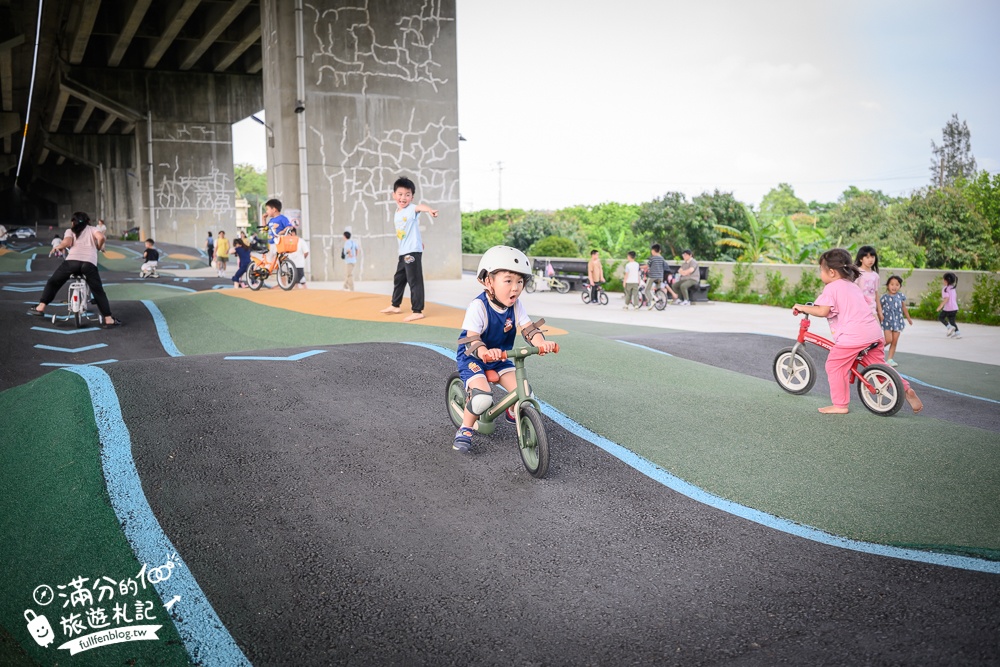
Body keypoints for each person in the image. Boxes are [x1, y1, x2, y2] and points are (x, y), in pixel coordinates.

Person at [792, 248, 921, 415]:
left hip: (854, 336)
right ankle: (906, 389)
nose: (820, 274)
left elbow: (822, 310)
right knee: (878, 365)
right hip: (873, 332)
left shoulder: (831, 288)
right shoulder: (853, 286)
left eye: (821, 270)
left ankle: (840, 405)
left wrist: (802, 307)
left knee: (834, 365)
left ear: (831, 272)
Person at [453, 246, 557, 453]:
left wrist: (540, 343)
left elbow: (529, 329)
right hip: (474, 358)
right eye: (508, 281)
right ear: (488, 281)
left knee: (525, 392)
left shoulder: (516, 306)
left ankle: (512, 410)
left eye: (520, 282)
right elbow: (472, 339)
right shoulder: (478, 306)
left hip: (501, 358)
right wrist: (484, 352)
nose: (515, 288)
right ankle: (465, 428)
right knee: (482, 398)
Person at [26, 211, 121, 327]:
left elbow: (67, 242)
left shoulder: (70, 231)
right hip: (89, 264)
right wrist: (98, 246)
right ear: (88, 221)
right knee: (98, 291)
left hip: (72, 262)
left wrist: (58, 246)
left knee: (53, 282)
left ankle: (41, 307)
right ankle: (108, 319)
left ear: (73, 222)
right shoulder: (93, 229)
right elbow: (101, 237)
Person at [379, 176, 438, 323]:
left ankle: (417, 311)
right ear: (394, 195)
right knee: (399, 278)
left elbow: (420, 207)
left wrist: (429, 210)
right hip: (403, 251)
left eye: (407, 194)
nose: (403, 198)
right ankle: (395, 305)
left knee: (414, 280)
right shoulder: (397, 212)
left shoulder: (411, 209)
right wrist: (419, 241)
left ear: (412, 197)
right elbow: (411, 229)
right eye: (400, 194)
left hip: (411, 251)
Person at [880, 275, 913, 367]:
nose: (894, 287)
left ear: (900, 286)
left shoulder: (901, 296)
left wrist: (908, 318)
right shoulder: (884, 297)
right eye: (892, 284)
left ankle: (890, 359)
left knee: (894, 342)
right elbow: (879, 308)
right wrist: (878, 317)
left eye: (897, 285)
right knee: (888, 340)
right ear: (888, 286)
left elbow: (904, 308)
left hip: (898, 322)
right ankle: (876, 350)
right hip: (887, 322)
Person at [854, 245, 883, 322]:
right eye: (867, 257)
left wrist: (880, 311)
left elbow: (876, 294)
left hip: (872, 309)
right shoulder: (856, 273)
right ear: (861, 259)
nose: (871, 260)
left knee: (877, 328)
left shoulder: (875, 276)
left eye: (872, 257)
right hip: (858, 309)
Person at [937, 272, 961, 339]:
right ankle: (958, 333)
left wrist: (940, 306)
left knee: (941, 317)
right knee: (952, 321)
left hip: (948, 308)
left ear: (946, 281)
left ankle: (949, 327)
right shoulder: (953, 288)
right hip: (955, 308)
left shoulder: (945, 289)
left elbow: (946, 298)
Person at [644, 244, 667, 311]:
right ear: (659, 251)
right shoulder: (662, 258)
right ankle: (661, 304)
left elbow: (647, 266)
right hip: (660, 277)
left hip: (652, 277)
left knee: (646, 290)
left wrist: (639, 267)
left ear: (653, 251)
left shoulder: (652, 258)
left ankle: (652, 300)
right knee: (658, 290)